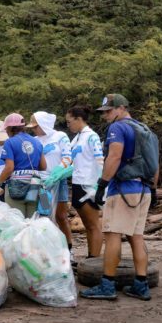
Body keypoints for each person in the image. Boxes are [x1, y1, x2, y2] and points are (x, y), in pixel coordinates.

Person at [81, 94, 157, 301]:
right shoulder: (145, 130)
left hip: (123, 188)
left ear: (121, 108)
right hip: (143, 188)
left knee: (112, 234)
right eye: (104, 111)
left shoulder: (118, 128)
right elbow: (154, 162)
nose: (105, 115)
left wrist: (102, 184)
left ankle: (107, 284)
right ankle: (141, 284)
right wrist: (154, 187)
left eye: (109, 110)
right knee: (136, 236)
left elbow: (114, 155)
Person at [27, 112, 73, 248]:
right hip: (42, 185)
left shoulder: (60, 136)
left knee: (61, 216)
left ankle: (68, 248)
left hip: (58, 181)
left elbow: (67, 157)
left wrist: (57, 172)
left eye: (36, 127)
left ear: (44, 125)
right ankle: (48, 248)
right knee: (45, 214)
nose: (34, 130)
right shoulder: (34, 140)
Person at [65, 105, 104, 259]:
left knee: (93, 225)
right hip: (77, 182)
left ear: (79, 119)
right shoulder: (78, 137)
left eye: (69, 122)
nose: (68, 125)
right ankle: (91, 256)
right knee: (87, 225)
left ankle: (94, 259)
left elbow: (100, 160)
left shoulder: (91, 136)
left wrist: (99, 184)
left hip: (89, 185)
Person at [0, 113, 47, 218]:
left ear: (10, 128)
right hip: (34, 187)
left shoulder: (10, 142)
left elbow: (9, 168)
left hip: (16, 188)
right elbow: (43, 166)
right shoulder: (37, 142)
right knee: (32, 222)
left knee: (17, 221)